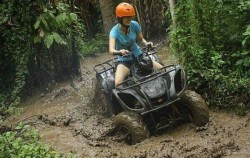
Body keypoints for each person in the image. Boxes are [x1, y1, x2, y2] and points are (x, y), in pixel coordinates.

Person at [109, 2, 163, 87]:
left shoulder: (134, 25)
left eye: (130, 17)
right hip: (124, 61)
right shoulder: (114, 32)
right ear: (120, 18)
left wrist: (147, 43)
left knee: (163, 69)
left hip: (139, 55)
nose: (129, 19)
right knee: (118, 84)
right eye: (126, 17)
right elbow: (111, 50)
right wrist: (120, 52)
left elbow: (142, 39)